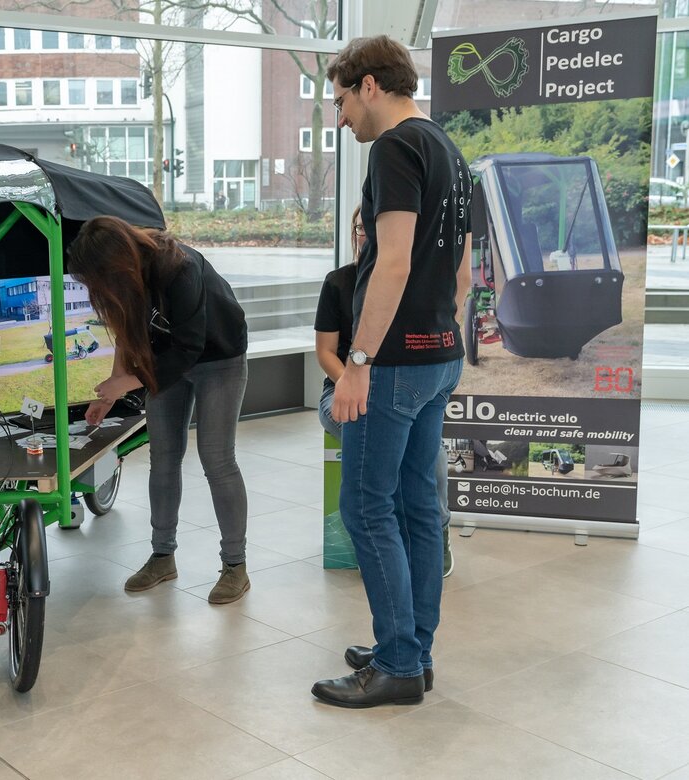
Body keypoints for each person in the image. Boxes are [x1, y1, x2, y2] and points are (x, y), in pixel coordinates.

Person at [310, 35, 471, 709]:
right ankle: (415, 651)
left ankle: (400, 663)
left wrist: (359, 363)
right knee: (416, 509)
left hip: (398, 362)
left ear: (369, 85)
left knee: (366, 509)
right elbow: (462, 273)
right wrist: (436, 337)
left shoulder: (396, 149)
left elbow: (395, 261)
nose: (341, 119)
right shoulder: (452, 153)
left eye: (342, 101)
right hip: (441, 355)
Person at [66, 215, 251, 604]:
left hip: (218, 356)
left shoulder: (178, 267)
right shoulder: (125, 280)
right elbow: (126, 333)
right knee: (163, 457)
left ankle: (235, 566)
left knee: (217, 458)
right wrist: (110, 393)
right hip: (163, 358)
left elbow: (190, 347)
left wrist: (129, 382)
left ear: (116, 262)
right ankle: (162, 556)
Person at [314, 207, 455, 578]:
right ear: (353, 233)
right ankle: (385, 541)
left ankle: (435, 530)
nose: (366, 236)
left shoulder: (410, 284)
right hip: (342, 392)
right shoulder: (338, 282)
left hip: (400, 392)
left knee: (429, 448)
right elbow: (326, 352)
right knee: (377, 443)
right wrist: (351, 383)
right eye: (360, 229)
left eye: (374, 229)